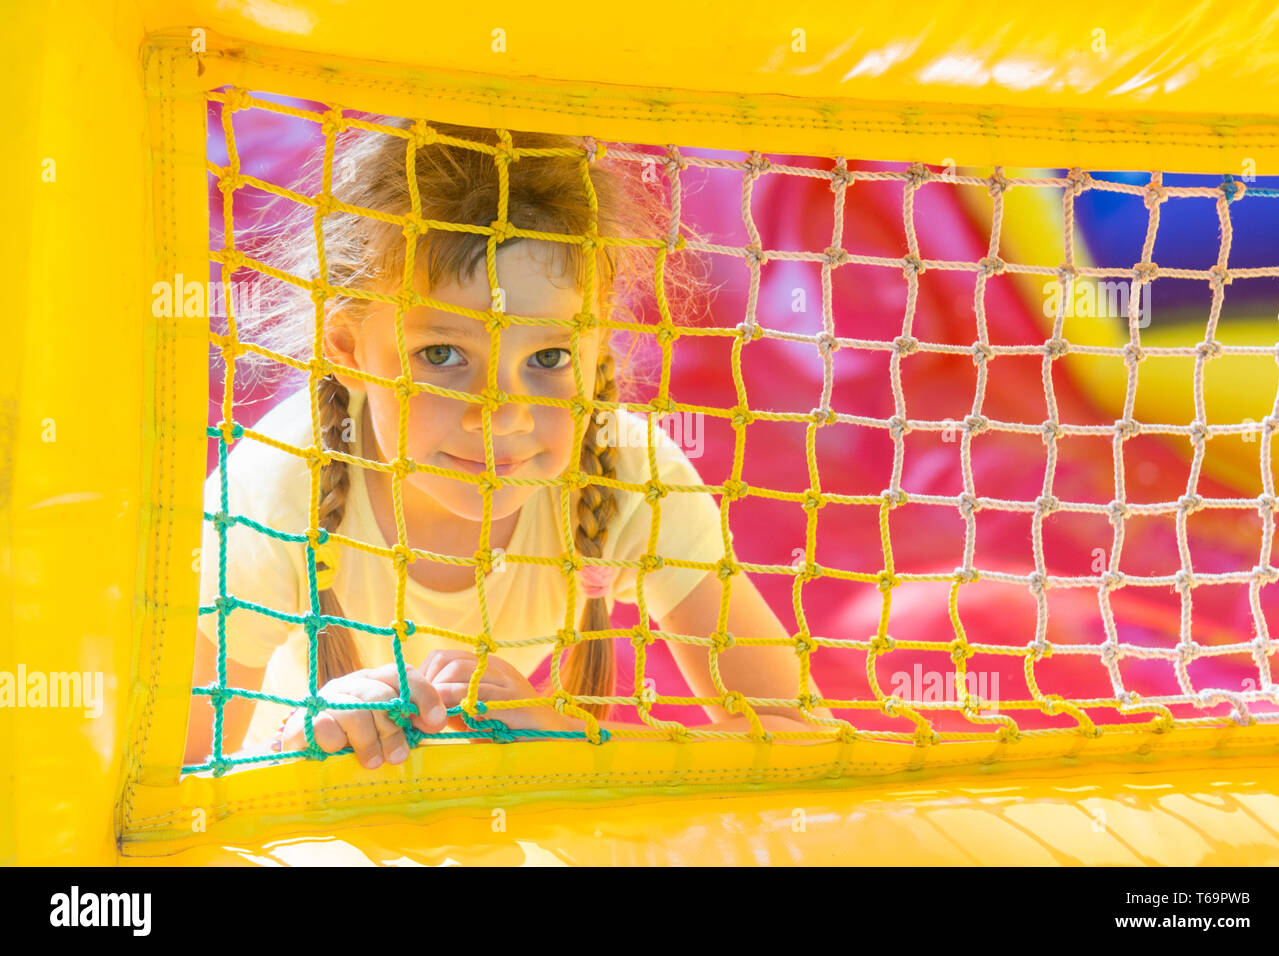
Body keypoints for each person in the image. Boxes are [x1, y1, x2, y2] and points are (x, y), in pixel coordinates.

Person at [186, 118, 834, 770]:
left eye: (548, 356)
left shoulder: (631, 472)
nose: (501, 416)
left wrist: (580, 745)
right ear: (349, 348)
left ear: (598, 341)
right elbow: (169, 772)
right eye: (442, 355)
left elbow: (802, 735)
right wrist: (303, 744)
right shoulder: (276, 487)